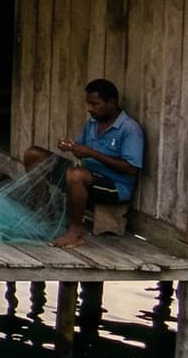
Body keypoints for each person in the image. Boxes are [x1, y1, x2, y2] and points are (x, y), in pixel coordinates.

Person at [24, 78, 145, 250]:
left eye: (95, 104)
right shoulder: (93, 123)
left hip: (114, 187)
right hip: (83, 178)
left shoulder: (129, 129)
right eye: (89, 104)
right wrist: (70, 147)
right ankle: (45, 211)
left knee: (76, 174)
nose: (90, 109)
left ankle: (75, 233)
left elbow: (131, 169)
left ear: (111, 103)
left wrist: (91, 153)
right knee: (34, 154)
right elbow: (81, 148)